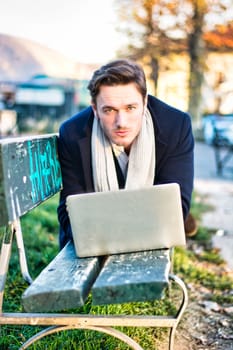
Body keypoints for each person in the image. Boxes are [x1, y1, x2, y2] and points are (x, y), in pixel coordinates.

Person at [57, 59, 195, 249]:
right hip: (94, 245)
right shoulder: (73, 133)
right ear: (95, 108)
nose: (121, 122)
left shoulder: (176, 126)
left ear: (145, 101)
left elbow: (177, 209)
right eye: (109, 110)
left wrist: (108, 224)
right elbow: (69, 214)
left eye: (131, 108)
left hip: (144, 240)